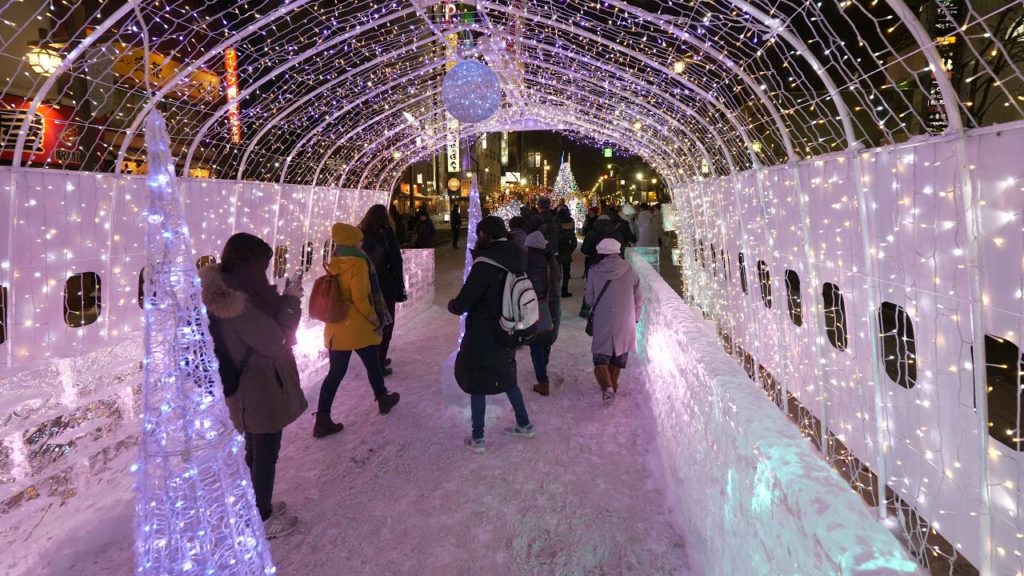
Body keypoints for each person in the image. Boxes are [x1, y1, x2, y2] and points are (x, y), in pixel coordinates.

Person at [200, 232, 308, 539]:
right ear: (248, 266)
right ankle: (261, 516)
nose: (263, 274)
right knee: (265, 452)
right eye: (261, 267)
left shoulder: (225, 293)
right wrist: (290, 302)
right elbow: (276, 341)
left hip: (248, 386)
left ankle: (252, 504)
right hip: (258, 389)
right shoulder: (237, 306)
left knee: (256, 448)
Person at [448, 216, 534, 453]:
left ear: (485, 234)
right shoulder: (516, 257)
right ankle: (524, 423)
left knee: (478, 381)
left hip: (483, 332)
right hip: (507, 327)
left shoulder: (486, 264)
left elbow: (465, 301)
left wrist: (453, 306)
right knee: (506, 375)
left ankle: (478, 438)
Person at [315, 223, 401, 438]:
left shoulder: (336, 260)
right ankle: (383, 399)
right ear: (353, 241)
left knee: (335, 374)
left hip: (337, 327)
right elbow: (361, 298)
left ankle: (322, 419)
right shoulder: (358, 263)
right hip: (358, 326)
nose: (362, 242)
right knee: (373, 364)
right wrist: (374, 318)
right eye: (359, 239)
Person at [584, 238, 642, 401]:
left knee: (601, 354)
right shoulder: (630, 269)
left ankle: (606, 386)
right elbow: (638, 296)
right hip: (625, 318)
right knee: (619, 352)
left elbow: (589, 298)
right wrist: (635, 317)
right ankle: (612, 385)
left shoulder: (594, 271)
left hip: (603, 317)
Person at [359, 204, 408, 377]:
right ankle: (379, 362)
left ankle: (375, 358)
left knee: (372, 323)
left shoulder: (360, 234)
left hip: (365, 284)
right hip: (384, 285)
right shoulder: (386, 233)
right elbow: (396, 260)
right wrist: (400, 285)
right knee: (386, 323)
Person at [525, 230, 561, 397]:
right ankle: (543, 367)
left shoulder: (528, 261)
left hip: (535, 306)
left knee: (535, 343)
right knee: (546, 338)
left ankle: (542, 381)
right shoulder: (551, 259)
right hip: (552, 305)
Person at [556, 206, 577, 297]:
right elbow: (573, 241)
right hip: (566, 251)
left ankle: (555, 291)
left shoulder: (554, 224)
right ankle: (564, 291)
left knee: (556, 273)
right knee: (566, 272)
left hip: (556, 251)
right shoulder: (569, 224)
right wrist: (570, 250)